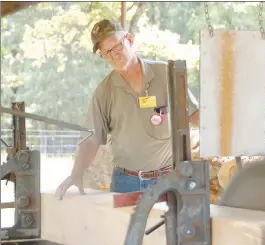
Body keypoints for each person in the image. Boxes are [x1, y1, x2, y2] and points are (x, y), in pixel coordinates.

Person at [55, 19, 200, 200]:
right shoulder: (104, 92)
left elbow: (195, 116)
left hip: (167, 179)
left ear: (129, 40)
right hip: (126, 183)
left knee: (167, 228)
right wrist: (76, 174)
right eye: (107, 52)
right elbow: (92, 140)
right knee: (125, 228)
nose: (114, 55)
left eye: (117, 47)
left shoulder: (166, 74)